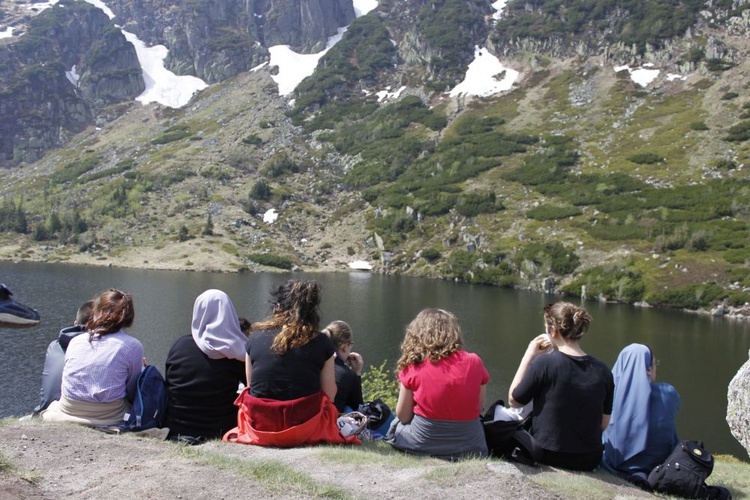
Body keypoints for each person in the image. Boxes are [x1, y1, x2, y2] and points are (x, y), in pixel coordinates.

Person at [223, 279, 358, 446]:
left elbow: (252, 387)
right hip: (305, 429)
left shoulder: (254, 338)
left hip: (261, 427)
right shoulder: (322, 342)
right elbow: (330, 395)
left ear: (277, 306)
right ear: (311, 311)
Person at [508, 302, 614, 471]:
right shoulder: (603, 370)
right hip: (589, 459)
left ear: (553, 331)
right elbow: (603, 424)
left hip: (547, 453)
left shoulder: (545, 363)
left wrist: (529, 355)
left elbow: (514, 400)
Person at [386, 308, 489, 459]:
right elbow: (478, 408)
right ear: (454, 333)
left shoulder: (414, 365)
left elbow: (403, 416)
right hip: (471, 447)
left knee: (395, 425)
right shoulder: (474, 361)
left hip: (422, 444)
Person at [41, 289, 144, 427]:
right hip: (109, 414)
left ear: (97, 311)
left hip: (68, 408)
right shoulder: (132, 346)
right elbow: (132, 390)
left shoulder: (76, 341)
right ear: (129, 317)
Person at [164, 289, 246, 441]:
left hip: (176, 426)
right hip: (220, 429)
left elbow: (169, 383)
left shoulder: (180, 345)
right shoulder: (238, 352)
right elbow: (252, 389)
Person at [602, 343, 680, 478]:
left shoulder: (608, 392)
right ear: (649, 369)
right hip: (656, 469)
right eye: (655, 364)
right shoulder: (668, 394)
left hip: (613, 464)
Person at [33, 300, 95, 415]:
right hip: (73, 411)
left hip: (45, 409)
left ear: (75, 323)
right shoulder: (98, 347)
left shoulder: (55, 345)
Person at [323, 320, 364, 413]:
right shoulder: (347, 374)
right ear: (344, 346)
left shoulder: (313, 362)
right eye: (351, 345)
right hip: (329, 423)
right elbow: (358, 408)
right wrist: (357, 373)